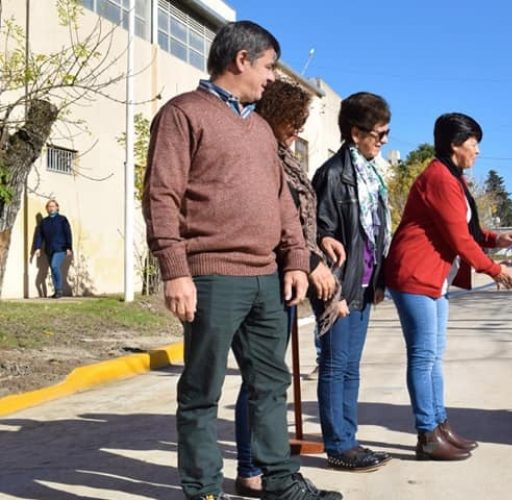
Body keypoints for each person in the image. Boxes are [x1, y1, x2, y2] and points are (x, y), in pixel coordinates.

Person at [142, 21, 341, 500]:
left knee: (270, 387)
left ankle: (279, 482)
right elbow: (160, 195)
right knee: (201, 393)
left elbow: (283, 204)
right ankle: (204, 490)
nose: (272, 78)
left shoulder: (259, 129)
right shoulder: (183, 113)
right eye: (269, 66)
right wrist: (175, 271)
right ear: (242, 60)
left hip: (267, 280)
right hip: (211, 276)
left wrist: (295, 260)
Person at [384, 113, 512, 461]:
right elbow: (458, 238)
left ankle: (440, 425)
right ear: (455, 144)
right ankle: (427, 435)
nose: (477, 151)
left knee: (434, 358)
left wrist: (493, 239)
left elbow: (464, 229)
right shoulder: (440, 178)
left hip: (434, 280)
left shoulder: (452, 178)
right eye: (474, 143)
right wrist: (493, 269)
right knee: (423, 356)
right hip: (414, 276)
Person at [231, 78, 342, 497]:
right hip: (266, 273)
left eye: (301, 123)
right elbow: (274, 221)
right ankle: (250, 468)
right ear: (272, 116)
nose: (297, 130)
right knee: (259, 380)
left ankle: (266, 466)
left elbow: (298, 216)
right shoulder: (260, 155)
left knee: (268, 379)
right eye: (292, 122)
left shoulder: (283, 154)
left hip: (288, 276)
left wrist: (317, 244)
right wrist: (309, 260)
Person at [311, 91, 393, 472]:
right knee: (334, 365)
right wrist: (335, 296)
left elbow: (374, 234)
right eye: (379, 134)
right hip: (339, 289)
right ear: (356, 132)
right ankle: (338, 445)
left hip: (363, 286)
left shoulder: (371, 175)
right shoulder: (332, 175)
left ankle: (350, 438)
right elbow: (321, 236)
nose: (385, 141)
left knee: (351, 367)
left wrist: (378, 280)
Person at [31, 199, 73, 298]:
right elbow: (39, 236)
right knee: (53, 270)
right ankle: (56, 292)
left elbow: (68, 233)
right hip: (49, 249)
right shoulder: (44, 222)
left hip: (61, 248)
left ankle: (59, 290)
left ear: (57, 208)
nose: (51, 208)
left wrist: (68, 247)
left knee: (54, 266)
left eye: (53, 206)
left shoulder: (62, 219)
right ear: (47, 209)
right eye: (49, 206)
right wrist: (37, 248)